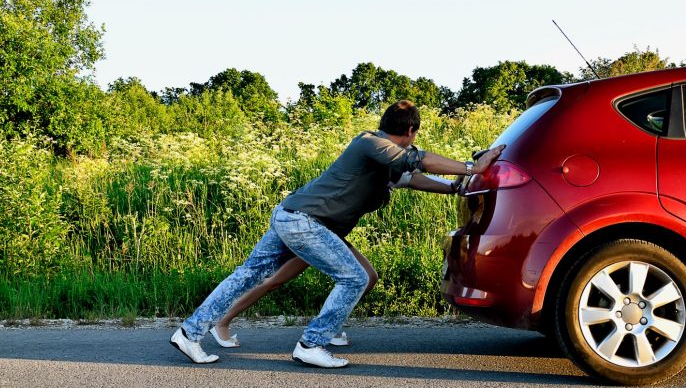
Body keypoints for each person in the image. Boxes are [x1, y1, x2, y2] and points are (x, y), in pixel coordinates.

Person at [169, 100, 504, 368]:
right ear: (411, 130)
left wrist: (455, 187)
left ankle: (189, 333)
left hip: (294, 217)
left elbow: (412, 178)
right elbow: (418, 162)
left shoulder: (382, 158)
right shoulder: (370, 142)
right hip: (305, 221)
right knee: (354, 278)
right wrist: (474, 167)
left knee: (249, 275)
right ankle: (312, 344)